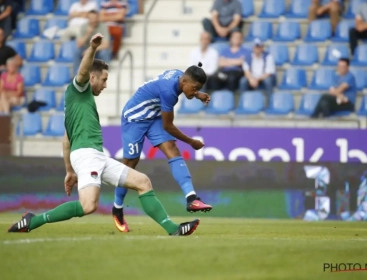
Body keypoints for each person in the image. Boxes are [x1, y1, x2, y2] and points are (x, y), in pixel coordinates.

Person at [7, 33, 200, 237]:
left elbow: (66, 139)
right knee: (88, 205)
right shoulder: (78, 89)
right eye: (104, 79)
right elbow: (82, 71)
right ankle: (33, 221)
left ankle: (174, 229)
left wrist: (69, 171)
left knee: (143, 182)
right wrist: (92, 48)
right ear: (92, 78)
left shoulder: (81, 103)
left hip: (95, 156)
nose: (106, 85)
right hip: (87, 155)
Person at [112, 64, 213, 232]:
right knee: (130, 165)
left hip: (153, 116)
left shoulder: (180, 76)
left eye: (198, 89)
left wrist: (197, 94)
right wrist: (191, 142)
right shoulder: (169, 93)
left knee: (172, 148)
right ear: (185, 81)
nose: (194, 91)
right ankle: (117, 208)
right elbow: (168, 126)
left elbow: (179, 84)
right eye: (194, 88)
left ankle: (192, 199)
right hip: (134, 118)